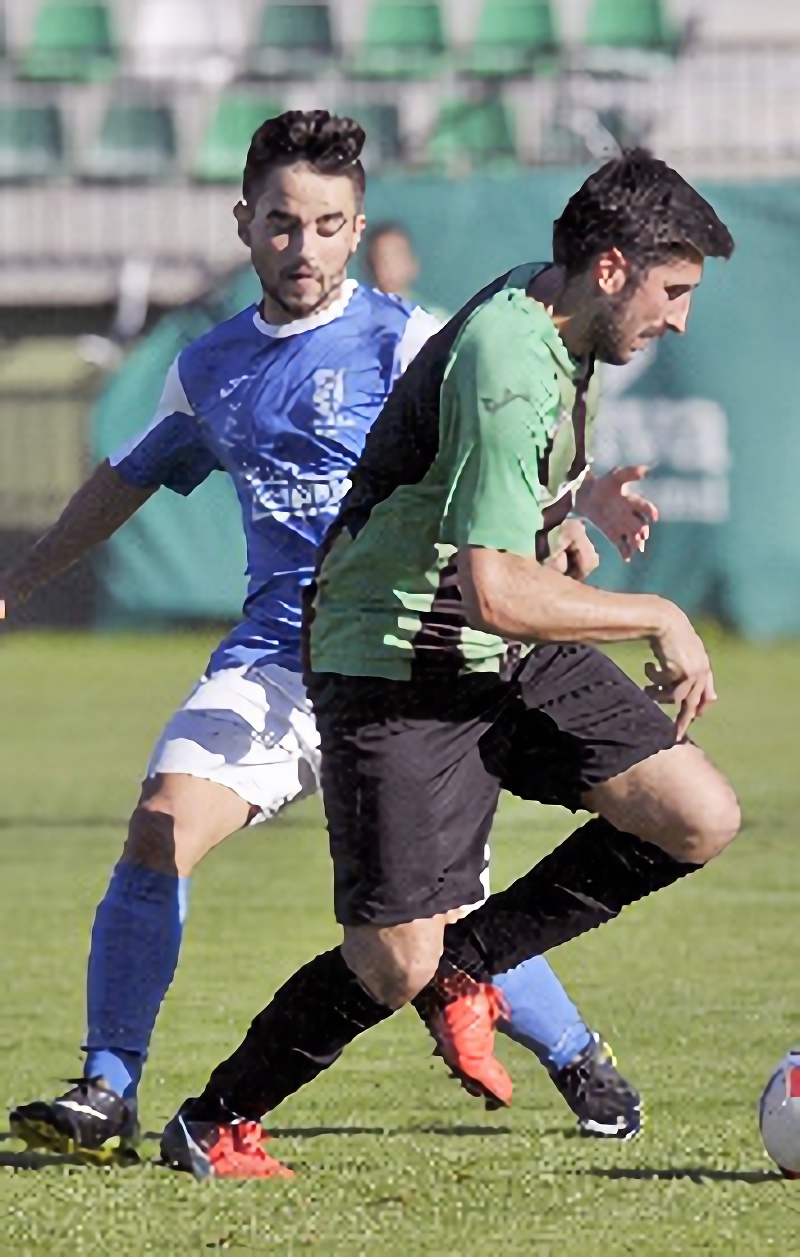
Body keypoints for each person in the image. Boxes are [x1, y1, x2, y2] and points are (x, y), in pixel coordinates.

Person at [3, 111, 643, 1174]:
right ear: (243, 222)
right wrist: (18, 580)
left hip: (399, 654)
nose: (304, 248)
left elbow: (510, 449)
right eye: (283, 224)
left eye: (329, 225)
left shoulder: (412, 341)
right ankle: (107, 1089)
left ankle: (576, 1053)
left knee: (433, 913)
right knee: (160, 826)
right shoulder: (208, 366)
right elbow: (124, 480)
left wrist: (570, 512)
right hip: (276, 658)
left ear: (357, 228)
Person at [159, 149, 741, 1182]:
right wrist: (655, 614)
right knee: (391, 961)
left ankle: (469, 968)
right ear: (610, 268)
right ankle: (214, 1120)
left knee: (695, 813)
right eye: (674, 290)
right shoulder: (508, 354)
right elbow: (494, 589)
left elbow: (477, 498)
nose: (681, 320)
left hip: (495, 648)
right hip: (392, 657)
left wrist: (571, 507)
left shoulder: (552, 307)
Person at [363, 221, 451, 322]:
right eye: (382, 258)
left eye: (397, 257)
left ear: (414, 264)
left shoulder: (437, 320)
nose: (390, 266)